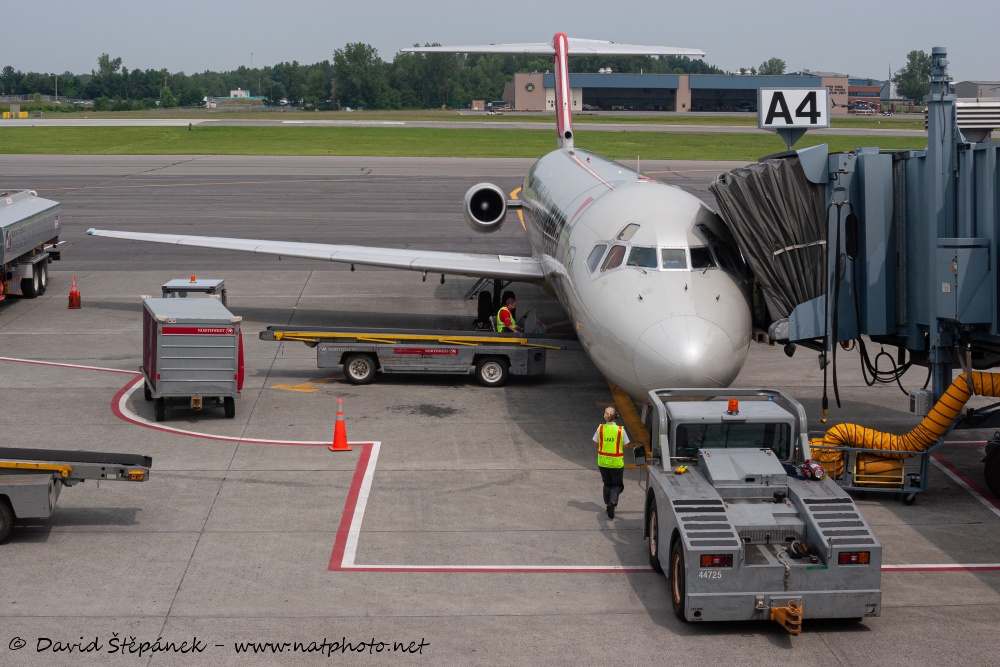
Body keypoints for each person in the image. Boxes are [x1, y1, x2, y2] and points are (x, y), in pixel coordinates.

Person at [593, 407, 629, 519]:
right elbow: (626, 445)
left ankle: (607, 503)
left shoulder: (601, 428)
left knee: (607, 483)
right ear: (616, 416)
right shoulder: (620, 430)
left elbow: (595, 443)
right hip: (616, 462)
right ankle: (612, 502)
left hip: (603, 461)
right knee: (618, 485)